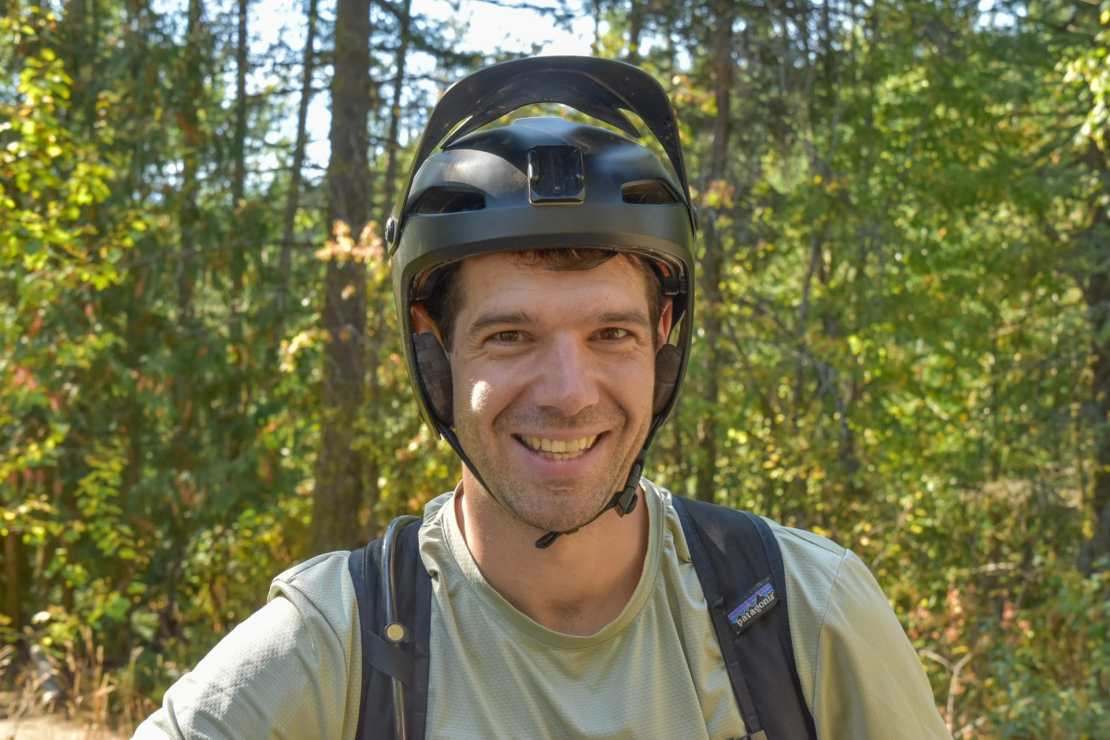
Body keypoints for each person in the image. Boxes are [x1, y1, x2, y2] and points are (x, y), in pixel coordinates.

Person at [136, 57, 949, 739]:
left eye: (612, 336)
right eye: (510, 337)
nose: (568, 393)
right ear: (434, 348)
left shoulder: (803, 617)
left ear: (664, 339)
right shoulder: (341, 642)